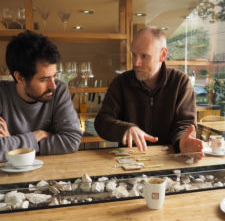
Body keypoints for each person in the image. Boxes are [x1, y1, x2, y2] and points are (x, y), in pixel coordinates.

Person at [94, 26, 204, 157]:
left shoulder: (180, 82)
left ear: (162, 55)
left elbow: (185, 124)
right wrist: (125, 128)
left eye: (144, 56)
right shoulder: (120, 83)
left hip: (169, 159)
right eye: (134, 54)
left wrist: (182, 142)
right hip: (129, 161)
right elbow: (101, 122)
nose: (136, 63)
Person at [0, 30, 82, 162]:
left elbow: (71, 141)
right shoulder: (2, 95)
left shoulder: (59, 90)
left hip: (52, 174)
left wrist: (13, 143)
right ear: (20, 78)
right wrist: (37, 135)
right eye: (44, 79)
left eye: (54, 76)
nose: (53, 86)